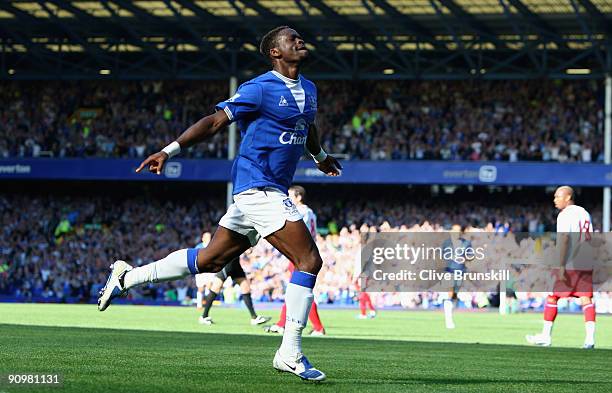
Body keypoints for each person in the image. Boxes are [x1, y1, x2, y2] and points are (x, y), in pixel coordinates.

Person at [97, 26, 342, 381]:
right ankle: (289, 352)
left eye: (300, 36)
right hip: (258, 186)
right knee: (309, 259)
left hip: (265, 190)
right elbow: (214, 122)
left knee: (209, 260)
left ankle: (126, 276)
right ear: (275, 52)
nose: (300, 40)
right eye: (291, 39)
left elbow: (308, 126)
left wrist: (318, 156)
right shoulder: (259, 88)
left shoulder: (309, 88)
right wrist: (168, 151)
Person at [526, 186, 596, 349]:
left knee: (552, 296)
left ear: (568, 197)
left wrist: (561, 265)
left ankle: (545, 336)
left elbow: (564, 239)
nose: (555, 200)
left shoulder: (565, 215)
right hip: (586, 259)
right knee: (586, 298)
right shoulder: (585, 213)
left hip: (571, 259)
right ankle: (590, 339)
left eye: (558, 196)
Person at [264, 185, 326, 335]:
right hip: (303, 254)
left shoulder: (300, 212)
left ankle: (318, 328)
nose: (288, 198)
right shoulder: (310, 212)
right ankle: (281, 324)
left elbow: (296, 233)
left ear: (298, 197)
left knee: (301, 291)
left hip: (300, 255)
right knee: (294, 291)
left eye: (290, 195)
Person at [198, 257, 270, 326]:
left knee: (245, 288)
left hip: (235, 264)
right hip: (227, 263)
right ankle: (204, 316)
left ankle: (254, 317)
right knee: (216, 288)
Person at [441, 224, 473, 329]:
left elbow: (471, 256)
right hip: (449, 271)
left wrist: (466, 258)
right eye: (453, 230)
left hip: (460, 271)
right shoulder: (446, 243)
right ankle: (448, 320)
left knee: (455, 296)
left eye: (457, 231)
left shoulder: (466, 243)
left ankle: (450, 316)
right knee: (449, 294)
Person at [194, 232, 214, 310]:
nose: (208, 238)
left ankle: (206, 303)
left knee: (209, 286)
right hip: (200, 270)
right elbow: (195, 258)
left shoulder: (213, 246)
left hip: (209, 270)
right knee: (200, 288)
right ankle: (199, 305)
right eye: (207, 237)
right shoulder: (198, 247)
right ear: (203, 238)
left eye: (209, 236)